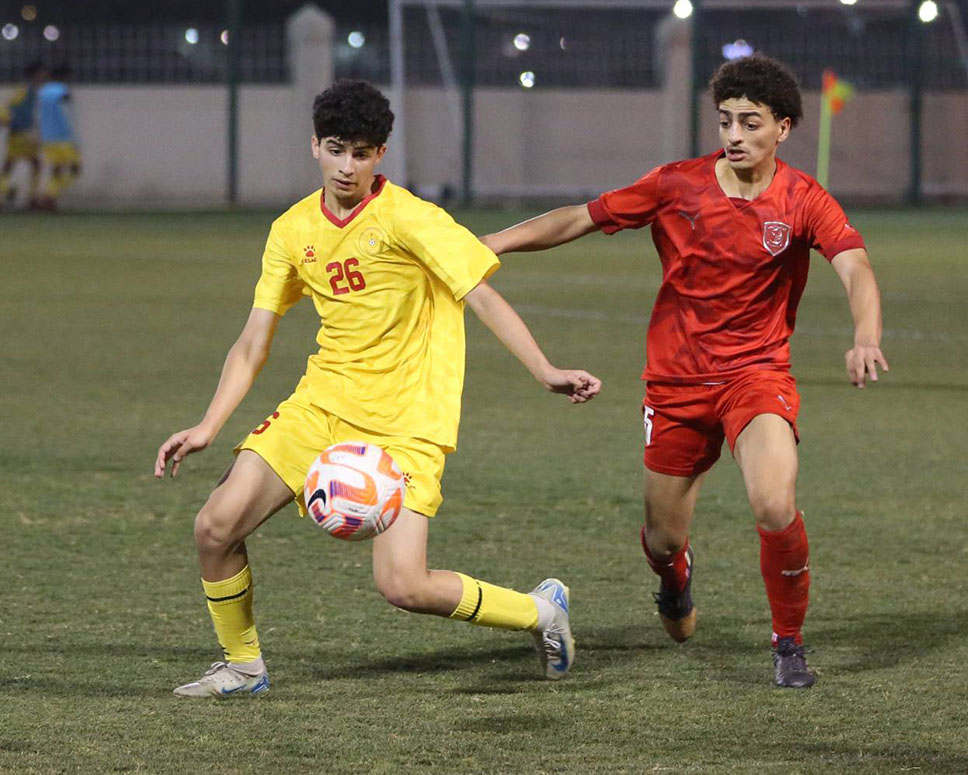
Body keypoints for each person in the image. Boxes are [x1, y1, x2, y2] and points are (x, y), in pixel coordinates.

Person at [154, 80, 601, 698]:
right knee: (215, 526)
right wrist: (209, 425)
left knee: (403, 586)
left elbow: (482, 296)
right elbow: (254, 339)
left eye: (361, 153)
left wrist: (545, 370)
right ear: (315, 146)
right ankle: (243, 666)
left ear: (379, 155)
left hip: (406, 423)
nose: (347, 166)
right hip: (321, 406)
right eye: (336, 149)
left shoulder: (412, 219)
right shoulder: (291, 230)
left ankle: (540, 611)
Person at [480, 54, 888, 688]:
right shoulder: (676, 184)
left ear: (783, 127)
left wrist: (866, 337)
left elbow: (856, 267)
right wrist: (492, 243)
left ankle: (788, 643)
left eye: (750, 122)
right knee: (663, 539)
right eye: (725, 121)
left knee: (774, 501)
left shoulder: (804, 199)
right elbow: (581, 217)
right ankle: (675, 580)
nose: (734, 135)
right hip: (675, 385)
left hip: (756, 376)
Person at [0, 62, 46, 209]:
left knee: (11, 164)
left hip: (19, 132)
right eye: (41, 73)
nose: (43, 76)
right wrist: (15, 123)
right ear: (33, 74)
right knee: (34, 164)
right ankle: (31, 198)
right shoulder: (27, 90)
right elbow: (13, 108)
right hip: (22, 133)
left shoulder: (28, 90)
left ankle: (8, 191)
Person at [37, 64, 80, 210]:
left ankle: (50, 197)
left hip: (47, 137)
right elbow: (68, 113)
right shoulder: (63, 90)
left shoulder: (43, 91)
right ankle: (49, 196)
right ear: (64, 76)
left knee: (57, 169)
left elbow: (39, 112)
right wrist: (75, 138)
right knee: (75, 168)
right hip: (63, 136)